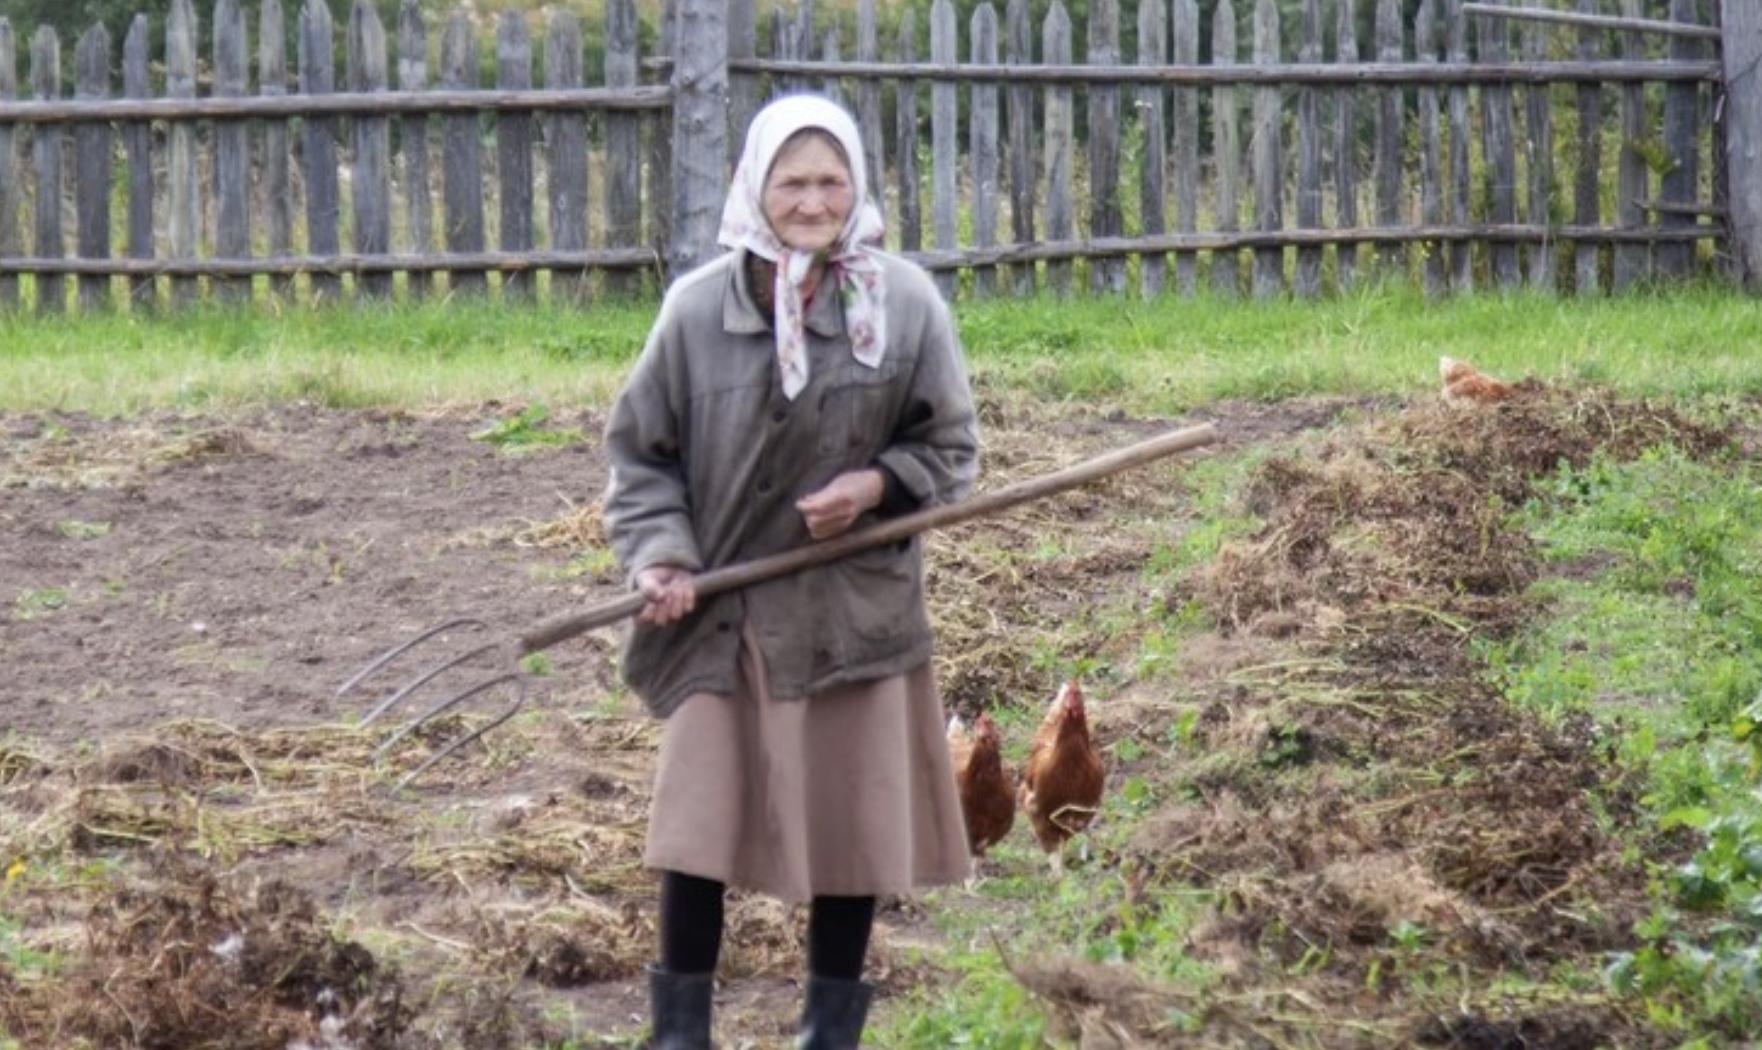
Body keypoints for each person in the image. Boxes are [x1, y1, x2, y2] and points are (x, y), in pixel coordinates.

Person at [601, 93, 980, 1050]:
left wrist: (875, 486)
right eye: (792, 182)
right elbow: (641, 458)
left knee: (852, 825)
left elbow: (950, 446)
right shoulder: (697, 311)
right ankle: (680, 1033)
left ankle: (828, 1031)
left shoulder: (903, 303)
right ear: (754, 190)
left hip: (855, 610)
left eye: (830, 182)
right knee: (698, 825)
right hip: (723, 613)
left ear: (857, 188)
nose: (812, 202)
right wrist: (664, 559)